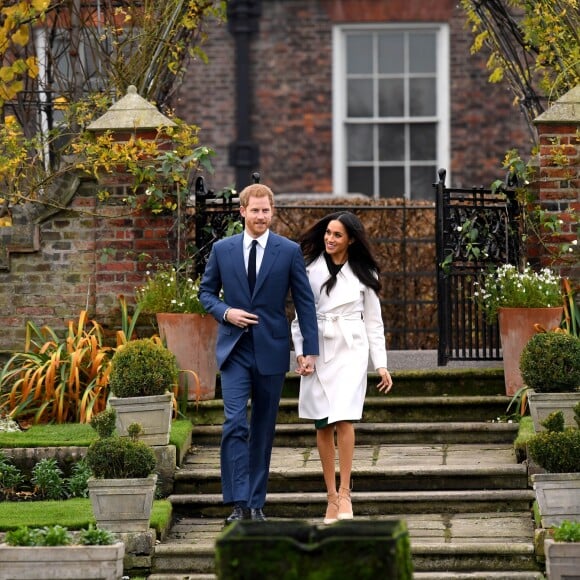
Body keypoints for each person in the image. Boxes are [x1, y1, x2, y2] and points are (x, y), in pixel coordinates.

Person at [199, 182, 319, 525]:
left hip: (271, 350)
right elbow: (206, 293)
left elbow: (304, 302)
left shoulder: (288, 251)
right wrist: (226, 313)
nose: (261, 216)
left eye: (266, 210)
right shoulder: (223, 250)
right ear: (243, 211)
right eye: (255, 210)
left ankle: (255, 502)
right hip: (235, 350)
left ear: (272, 212)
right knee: (235, 422)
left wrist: (307, 350)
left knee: (264, 428)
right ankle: (237, 502)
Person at [291, 211, 393, 524]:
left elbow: (374, 322)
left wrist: (382, 364)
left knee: (345, 418)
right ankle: (331, 497)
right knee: (322, 423)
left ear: (350, 239)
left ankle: (346, 491)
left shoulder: (365, 272)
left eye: (337, 235)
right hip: (318, 348)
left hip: (352, 348)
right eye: (327, 233)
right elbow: (300, 317)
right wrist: (302, 353)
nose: (330, 239)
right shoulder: (309, 270)